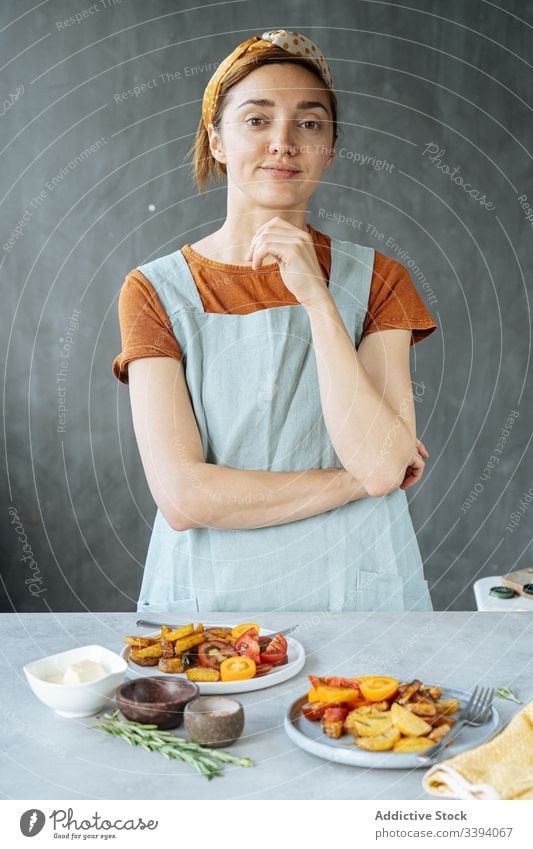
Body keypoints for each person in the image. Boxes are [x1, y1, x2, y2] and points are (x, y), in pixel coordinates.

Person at [112, 29, 438, 614]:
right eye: (257, 120)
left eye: (309, 123)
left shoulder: (380, 280)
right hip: (209, 606)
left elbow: (379, 459)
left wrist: (317, 296)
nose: (283, 142)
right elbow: (185, 496)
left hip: (360, 592)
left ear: (331, 147)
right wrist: (354, 483)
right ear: (216, 139)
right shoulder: (153, 291)